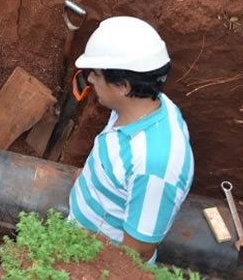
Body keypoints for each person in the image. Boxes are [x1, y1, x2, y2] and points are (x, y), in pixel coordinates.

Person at [68, 16, 194, 263]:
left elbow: (135, 253)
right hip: (79, 235)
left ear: (124, 86)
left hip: (95, 259)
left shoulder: (155, 165)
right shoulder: (141, 107)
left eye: (96, 74)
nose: (90, 80)